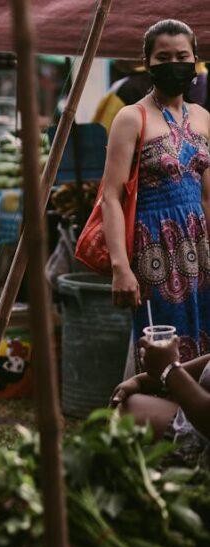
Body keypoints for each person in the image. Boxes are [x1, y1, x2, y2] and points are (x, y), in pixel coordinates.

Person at [102, 20, 210, 363]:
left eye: (182, 55)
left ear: (194, 60)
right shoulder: (131, 118)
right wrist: (121, 266)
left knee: (204, 346)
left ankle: (192, 418)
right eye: (163, 57)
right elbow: (111, 197)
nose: (173, 63)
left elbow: (208, 196)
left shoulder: (204, 118)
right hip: (154, 248)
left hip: (201, 247)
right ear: (148, 63)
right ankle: (150, 411)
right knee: (162, 349)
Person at [113, 335, 210, 467]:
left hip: (202, 444)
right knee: (126, 407)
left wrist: (170, 369)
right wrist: (140, 382)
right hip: (194, 426)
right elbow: (201, 368)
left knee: (123, 419)